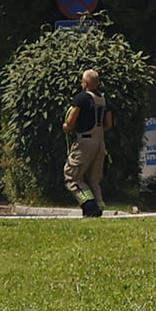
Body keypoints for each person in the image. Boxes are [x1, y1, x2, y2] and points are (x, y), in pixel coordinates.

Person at [63, 65, 109, 218]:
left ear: (85, 83)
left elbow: (70, 122)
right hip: (100, 141)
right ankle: (99, 206)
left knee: (72, 177)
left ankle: (89, 206)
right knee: (93, 179)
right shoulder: (103, 99)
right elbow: (109, 124)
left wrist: (66, 126)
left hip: (85, 142)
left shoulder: (81, 98)